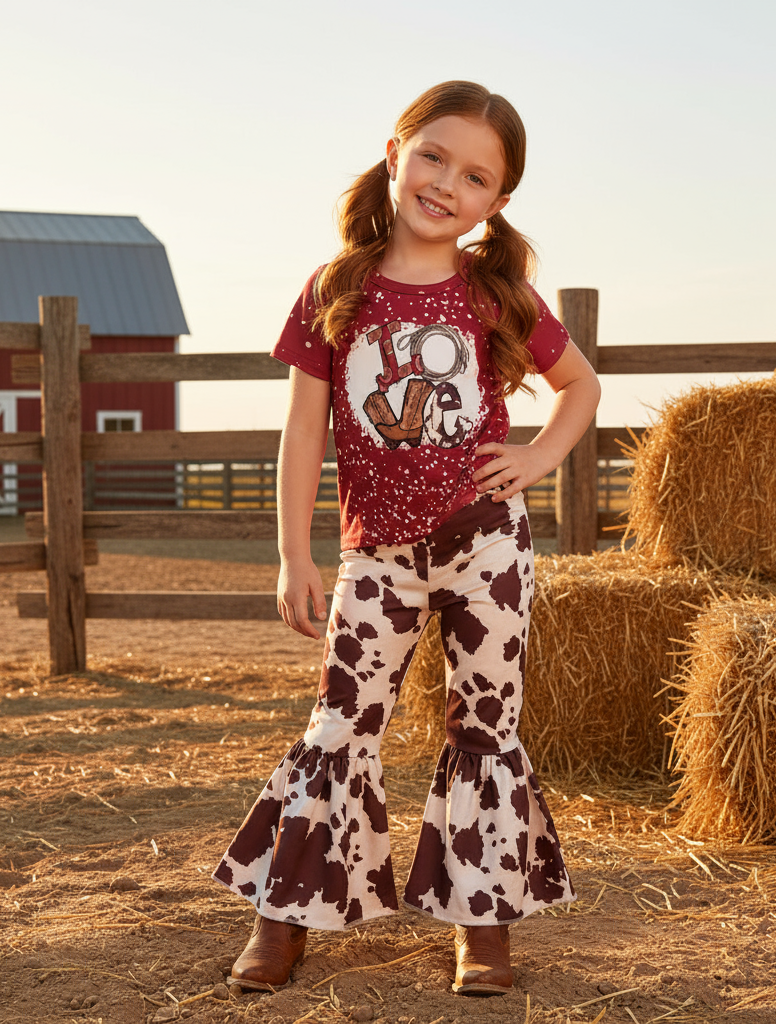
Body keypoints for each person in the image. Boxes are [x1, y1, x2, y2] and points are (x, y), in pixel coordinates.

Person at [213, 80, 601, 997]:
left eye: (475, 176)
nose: (445, 184)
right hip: (375, 555)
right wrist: (294, 552)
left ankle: (482, 927)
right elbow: (304, 430)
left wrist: (535, 458)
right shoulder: (335, 288)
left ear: (495, 204)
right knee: (341, 723)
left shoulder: (496, 292)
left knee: (486, 725)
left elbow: (580, 388)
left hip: (487, 549)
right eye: (433, 157)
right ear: (394, 154)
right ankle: (287, 916)